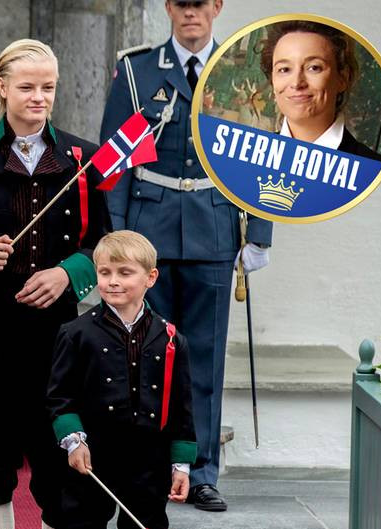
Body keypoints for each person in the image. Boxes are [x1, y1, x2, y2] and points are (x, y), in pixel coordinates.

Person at [99, 0, 273, 512]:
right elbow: (114, 160)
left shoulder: (243, 76)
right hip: (147, 232)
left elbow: (261, 155)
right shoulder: (137, 70)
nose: (191, 12)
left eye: (201, 3)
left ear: (217, 6)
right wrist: (116, 239)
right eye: (182, 3)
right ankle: (149, 466)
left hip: (214, 228)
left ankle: (199, 472)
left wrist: (258, 233)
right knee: (144, 354)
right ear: (170, 8)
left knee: (203, 359)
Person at [0, 38, 112, 529]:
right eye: (28, 86)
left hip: (58, 334)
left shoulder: (83, 158)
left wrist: (67, 274)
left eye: (48, 87)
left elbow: (100, 243)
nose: (39, 97)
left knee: (57, 456)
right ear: (1, 87)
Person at [48, 230, 196, 529]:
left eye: (125, 273)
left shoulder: (171, 338)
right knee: (82, 520)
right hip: (93, 452)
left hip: (148, 457)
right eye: (105, 272)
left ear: (150, 278)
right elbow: (59, 397)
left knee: (146, 521)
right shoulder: (75, 333)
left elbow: (182, 405)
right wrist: (74, 442)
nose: (113, 280)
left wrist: (180, 464)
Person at [260, 20, 381, 162]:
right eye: (284, 69)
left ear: (343, 78)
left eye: (314, 68)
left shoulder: (377, 170)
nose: (296, 83)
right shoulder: (248, 160)